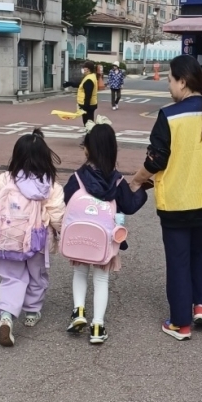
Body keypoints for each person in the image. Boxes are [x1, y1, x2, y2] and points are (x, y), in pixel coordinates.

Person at [129, 55, 202, 341]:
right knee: (200, 250)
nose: (168, 86)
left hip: (178, 202)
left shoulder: (170, 116)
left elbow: (156, 160)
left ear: (182, 81)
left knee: (179, 259)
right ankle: (200, 305)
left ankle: (181, 323)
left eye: (169, 80)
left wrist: (137, 180)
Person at [0, 129, 65, 347]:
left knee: (12, 278)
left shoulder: (6, 179)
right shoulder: (51, 186)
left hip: (7, 239)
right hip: (37, 242)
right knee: (36, 276)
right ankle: (32, 312)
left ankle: (7, 315)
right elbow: (58, 217)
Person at [63, 119, 148, 344]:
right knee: (101, 280)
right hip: (105, 241)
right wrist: (139, 189)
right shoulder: (117, 181)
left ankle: (79, 312)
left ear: (88, 149)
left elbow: (65, 202)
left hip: (80, 238)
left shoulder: (77, 178)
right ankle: (98, 326)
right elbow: (129, 205)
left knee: (80, 273)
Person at [77, 61, 98, 125]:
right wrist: (70, 84)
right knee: (88, 122)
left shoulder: (89, 79)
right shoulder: (90, 76)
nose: (83, 69)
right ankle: (90, 133)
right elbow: (82, 85)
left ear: (88, 69)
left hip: (88, 105)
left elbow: (88, 94)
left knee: (88, 123)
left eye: (84, 68)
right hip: (90, 104)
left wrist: (85, 107)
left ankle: (90, 134)